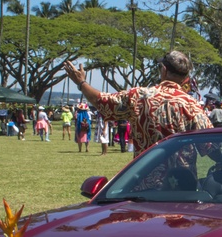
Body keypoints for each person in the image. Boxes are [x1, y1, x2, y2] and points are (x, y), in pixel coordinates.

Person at [63, 50, 212, 157]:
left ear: (164, 71)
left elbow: (101, 101)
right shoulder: (193, 105)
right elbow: (209, 147)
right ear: (186, 78)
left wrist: (81, 82)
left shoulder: (139, 96)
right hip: (182, 189)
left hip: (145, 184)